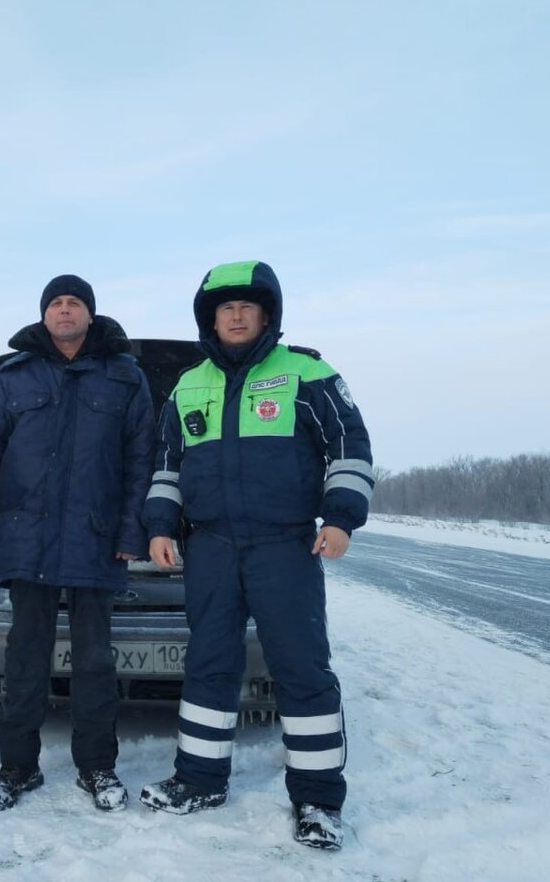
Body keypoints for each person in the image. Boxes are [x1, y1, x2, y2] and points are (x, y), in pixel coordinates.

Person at [138, 260, 373, 850]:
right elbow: (167, 466)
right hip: (210, 545)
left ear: (267, 313)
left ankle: (318, 801)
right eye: (225, 307)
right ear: (210, 319)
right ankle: (199, 781)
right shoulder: (188, 385)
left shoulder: (307, 372)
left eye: (247, 306)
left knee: (300, 670)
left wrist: (341, 517)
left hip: (283, 545)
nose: (236, 315)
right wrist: (161, 526)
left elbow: (350, 445)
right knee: (209, 666)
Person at [0, 274, 155, 812]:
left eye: (74, 303)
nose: (64, 311)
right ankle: (16, 769)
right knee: (24, 660)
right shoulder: (13, 375)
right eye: (56, 304)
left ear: (90, 315)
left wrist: (130, 531)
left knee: (95, 662)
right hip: (27, 538)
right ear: (45, 315)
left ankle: (98, 768)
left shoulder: (124, 376)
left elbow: (142, 459)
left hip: (95, 539)